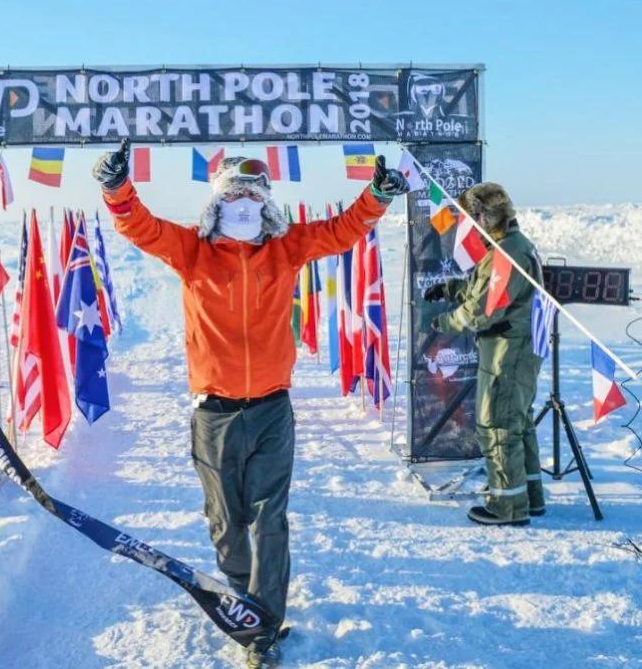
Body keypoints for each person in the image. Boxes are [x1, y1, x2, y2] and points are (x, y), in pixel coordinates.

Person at [93, 141, 408, 666]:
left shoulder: (285, 247)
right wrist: (116, 187)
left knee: (269, 520)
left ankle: (262, 625)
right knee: (226, 522)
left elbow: (342, 230)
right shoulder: (191, 250)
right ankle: (242, 596)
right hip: (213, 412)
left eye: (254, 196)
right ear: (217, 201)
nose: (244, 204)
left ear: (267, 203)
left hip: (271, 410)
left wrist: (376, 195)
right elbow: (140, 226)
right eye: (234, 195)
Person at [424, 182, 545, 527]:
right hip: (515, 349)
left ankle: (507, 507)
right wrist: (450, 289)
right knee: (517, 423)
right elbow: (485, 287)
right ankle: (528, 498)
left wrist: (444, 322)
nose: (469, 226)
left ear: (483, 216)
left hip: (507, 351)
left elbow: (482, 311)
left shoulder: (507, 253)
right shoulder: (511, 246)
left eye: (470, 218)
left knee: (497, 425)